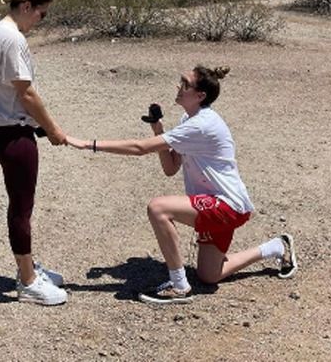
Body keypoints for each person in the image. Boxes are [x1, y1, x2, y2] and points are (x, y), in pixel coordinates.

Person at [67, 65, 297, 305]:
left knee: (158, 208)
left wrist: (87, 144)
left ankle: (179, 285)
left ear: (200, 96)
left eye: (185, 84)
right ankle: (275, 247)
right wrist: (158, 127)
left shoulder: (202, 124)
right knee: (209, 275)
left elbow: (139, 148)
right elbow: (171, 167)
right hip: (220, 205)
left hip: (227, 206)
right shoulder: (189, 119)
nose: (179, 87)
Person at [0, 0, 68, 306]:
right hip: (12, 134)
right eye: (41, 14)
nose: (40, 21)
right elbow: (25, 92)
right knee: (21, 208)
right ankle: (27, 281)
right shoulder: (12, 38)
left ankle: (27, 266)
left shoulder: (2, 31)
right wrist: (53, 129)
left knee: (21, 205)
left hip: (8, 130)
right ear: (26, 7)